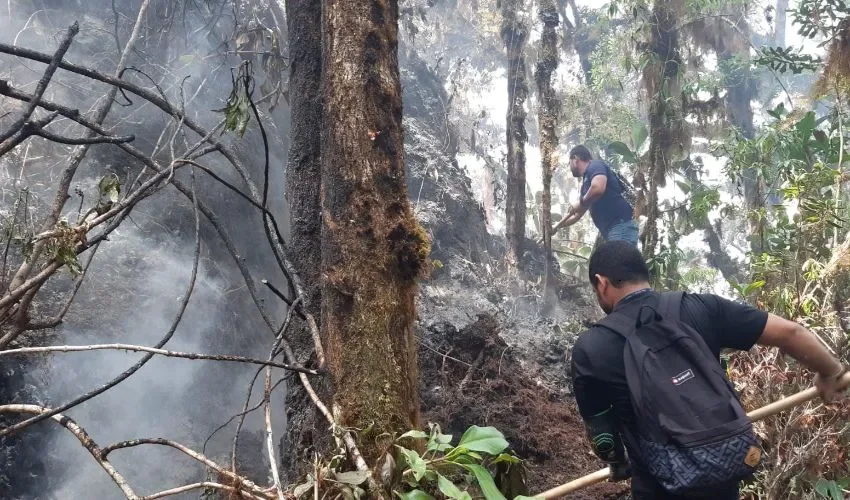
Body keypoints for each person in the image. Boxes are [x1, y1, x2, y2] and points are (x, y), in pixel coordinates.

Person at [570, 240, 848, 499]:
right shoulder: (700, 307)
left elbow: (604, 439)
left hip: (659, 486)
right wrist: (830, 371)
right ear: (644, 274)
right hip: (721, 470)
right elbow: (790, 333)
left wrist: (618, 462)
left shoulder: (591, 348)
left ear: (601, 283)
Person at [551, 145, 638, 246]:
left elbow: (597, 188)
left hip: (620, 225)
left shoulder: (595, 166)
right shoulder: (586, 186)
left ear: (575, 159)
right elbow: (577, 215)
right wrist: (556, 226)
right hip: (612, 230)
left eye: (569, 163)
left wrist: (581, 202)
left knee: (620, 260)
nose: (569, 167)